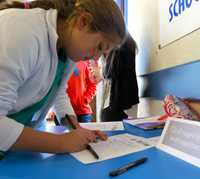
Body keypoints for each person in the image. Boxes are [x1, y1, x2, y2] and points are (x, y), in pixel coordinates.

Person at [0, 0, 126, 154]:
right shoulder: (21, 31)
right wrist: (61, 142)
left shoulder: (68, 48)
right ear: (83, 21)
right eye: (99, 47)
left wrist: (78, 131)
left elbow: (57, 93)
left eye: (103, 54)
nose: (96, 58)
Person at [101, 33, 139, 122]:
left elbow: (113, 70)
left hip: (119, 101)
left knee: (113, 131)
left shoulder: (119, 43)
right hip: (128, 99)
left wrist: (101, 73)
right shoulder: (127, 41)